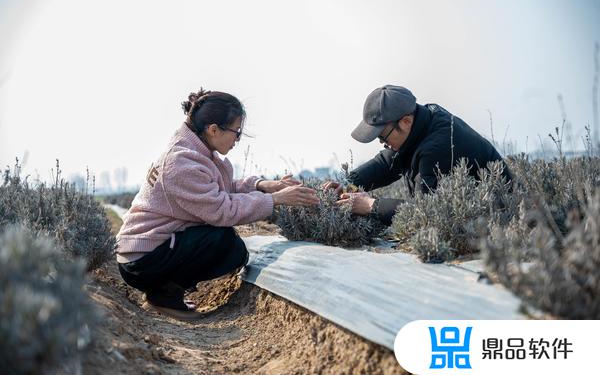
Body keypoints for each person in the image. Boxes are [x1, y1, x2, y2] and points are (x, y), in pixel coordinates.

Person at [116, 88, 319, 319]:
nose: (237, 140)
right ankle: (163, 296)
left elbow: (218, 188)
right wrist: (275, 200)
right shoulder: (182, 163)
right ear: (213, 129)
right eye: (236, 132)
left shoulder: (192, 151)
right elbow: (223, 210)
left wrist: (263, 185)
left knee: (224, 242)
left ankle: (164, 290)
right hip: (142, 262)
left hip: (149, 252)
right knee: (225, 245)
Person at [325, 85, 512, 225]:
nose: (383, 144)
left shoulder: (437, 147)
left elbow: (424, 212)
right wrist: (349, 183)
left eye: (383, 136)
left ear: (406, 121)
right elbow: (387, 162)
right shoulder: (423, 121)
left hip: (500, 224)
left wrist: (370, 205)